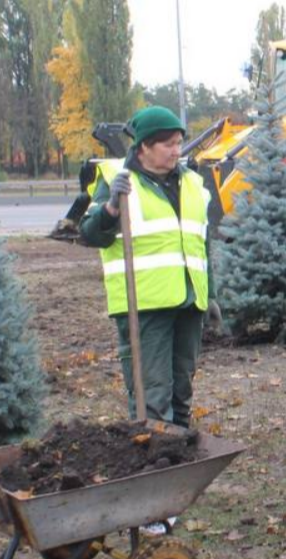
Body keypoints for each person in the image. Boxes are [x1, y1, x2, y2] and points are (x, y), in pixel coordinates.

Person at [79, 106, 220, 430]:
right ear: (143, 146)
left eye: (179, 142)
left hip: (188, 302)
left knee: (182, 389)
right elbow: (89, 234)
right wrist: (112, 207)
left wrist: (209, 295)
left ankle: (179, 451)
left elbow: (202, 244)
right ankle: (155, 461)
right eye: (168, 144)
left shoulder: (193, 184)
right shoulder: (117, 179)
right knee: (152, 393)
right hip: (143, 305)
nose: (177, 150)